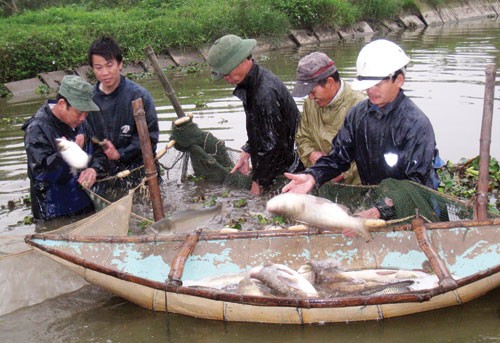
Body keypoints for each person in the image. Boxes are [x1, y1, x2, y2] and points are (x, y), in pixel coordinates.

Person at [283, 39, 441, 220]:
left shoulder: (416, 124)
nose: (371, 91)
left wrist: (378, 211)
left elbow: (416, 182)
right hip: (376, 196)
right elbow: (338, 158)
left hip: (413, 207)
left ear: (398, 80)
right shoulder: (358, 115)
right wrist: (312, 176)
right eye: (368, 84)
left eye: (378, 84)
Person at [207, 34, 302, 195]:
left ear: (243, 60)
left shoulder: (264, 93)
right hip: (278, 162)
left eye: (227, 73)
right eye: (223, 75)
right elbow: (260, 129)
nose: (226, 79)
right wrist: (247, 150)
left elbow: (272, 147)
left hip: (290, 168)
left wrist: (258, 183)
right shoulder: (251, 83)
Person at [23, 75, 108, 221]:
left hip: (85, 205)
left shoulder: (81, 123)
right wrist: (67, 154)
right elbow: (42, 174)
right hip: (54, 213)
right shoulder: (37, 129)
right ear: (62, 104)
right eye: (80, 113)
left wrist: (94, 169)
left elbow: (99, 153)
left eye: (86, 113)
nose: (83, 118)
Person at [86, 36, 159, 185]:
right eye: (99, 68)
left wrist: (120, 154)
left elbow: (150, 139)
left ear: (120, 64)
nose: (105, 73)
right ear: (93, 69)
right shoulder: (88, 101)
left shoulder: (139, 96)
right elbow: (89, 140)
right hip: (105, 175)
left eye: (109, 65)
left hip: (139, 171)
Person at [292, 51, 364, 184]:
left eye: (313, 92)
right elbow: (302, 137)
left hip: (355, 186)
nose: (310, 97)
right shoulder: (310, 103)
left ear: (330, 82)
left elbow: (369, 156)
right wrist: (311, 153)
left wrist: (343, 173)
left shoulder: (359, 107)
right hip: (319, 177)